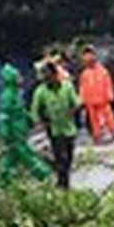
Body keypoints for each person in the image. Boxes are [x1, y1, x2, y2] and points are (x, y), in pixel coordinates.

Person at [0, 63, 51, 186]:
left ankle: (5, 180)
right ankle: (43, 174)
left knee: (10, 157)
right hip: (14, 133)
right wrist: (5, 132)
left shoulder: (16, 94)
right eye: (18, 76)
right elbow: (4, 116)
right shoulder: (7, 96)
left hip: (19, 131)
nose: (21, 78)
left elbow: (21, 111)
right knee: (25, 154)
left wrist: (30, 120)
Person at [30, 60, 81, 189]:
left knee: (68, 157)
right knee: (61, 157)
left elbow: (76, 103)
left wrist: (71, 111)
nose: (47, 80)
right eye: (45, 77)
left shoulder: (67, 87)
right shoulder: (40, 91)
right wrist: (40, 122)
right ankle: (63, 184)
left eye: (49, 76)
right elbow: (35, 111)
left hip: (69, 127)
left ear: (55, 75)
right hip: (53, 129)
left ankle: (62, 179)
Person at [78, 46, 114, 145]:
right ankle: (97, 135)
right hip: (91, 100)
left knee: (108, 117)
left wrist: (110, 95)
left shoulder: (102, 71)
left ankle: (113, 131)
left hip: (102, 99)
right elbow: (82, 87)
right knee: (94, 120)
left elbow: (108, 84)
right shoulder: (85, 74)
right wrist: (82, 98)